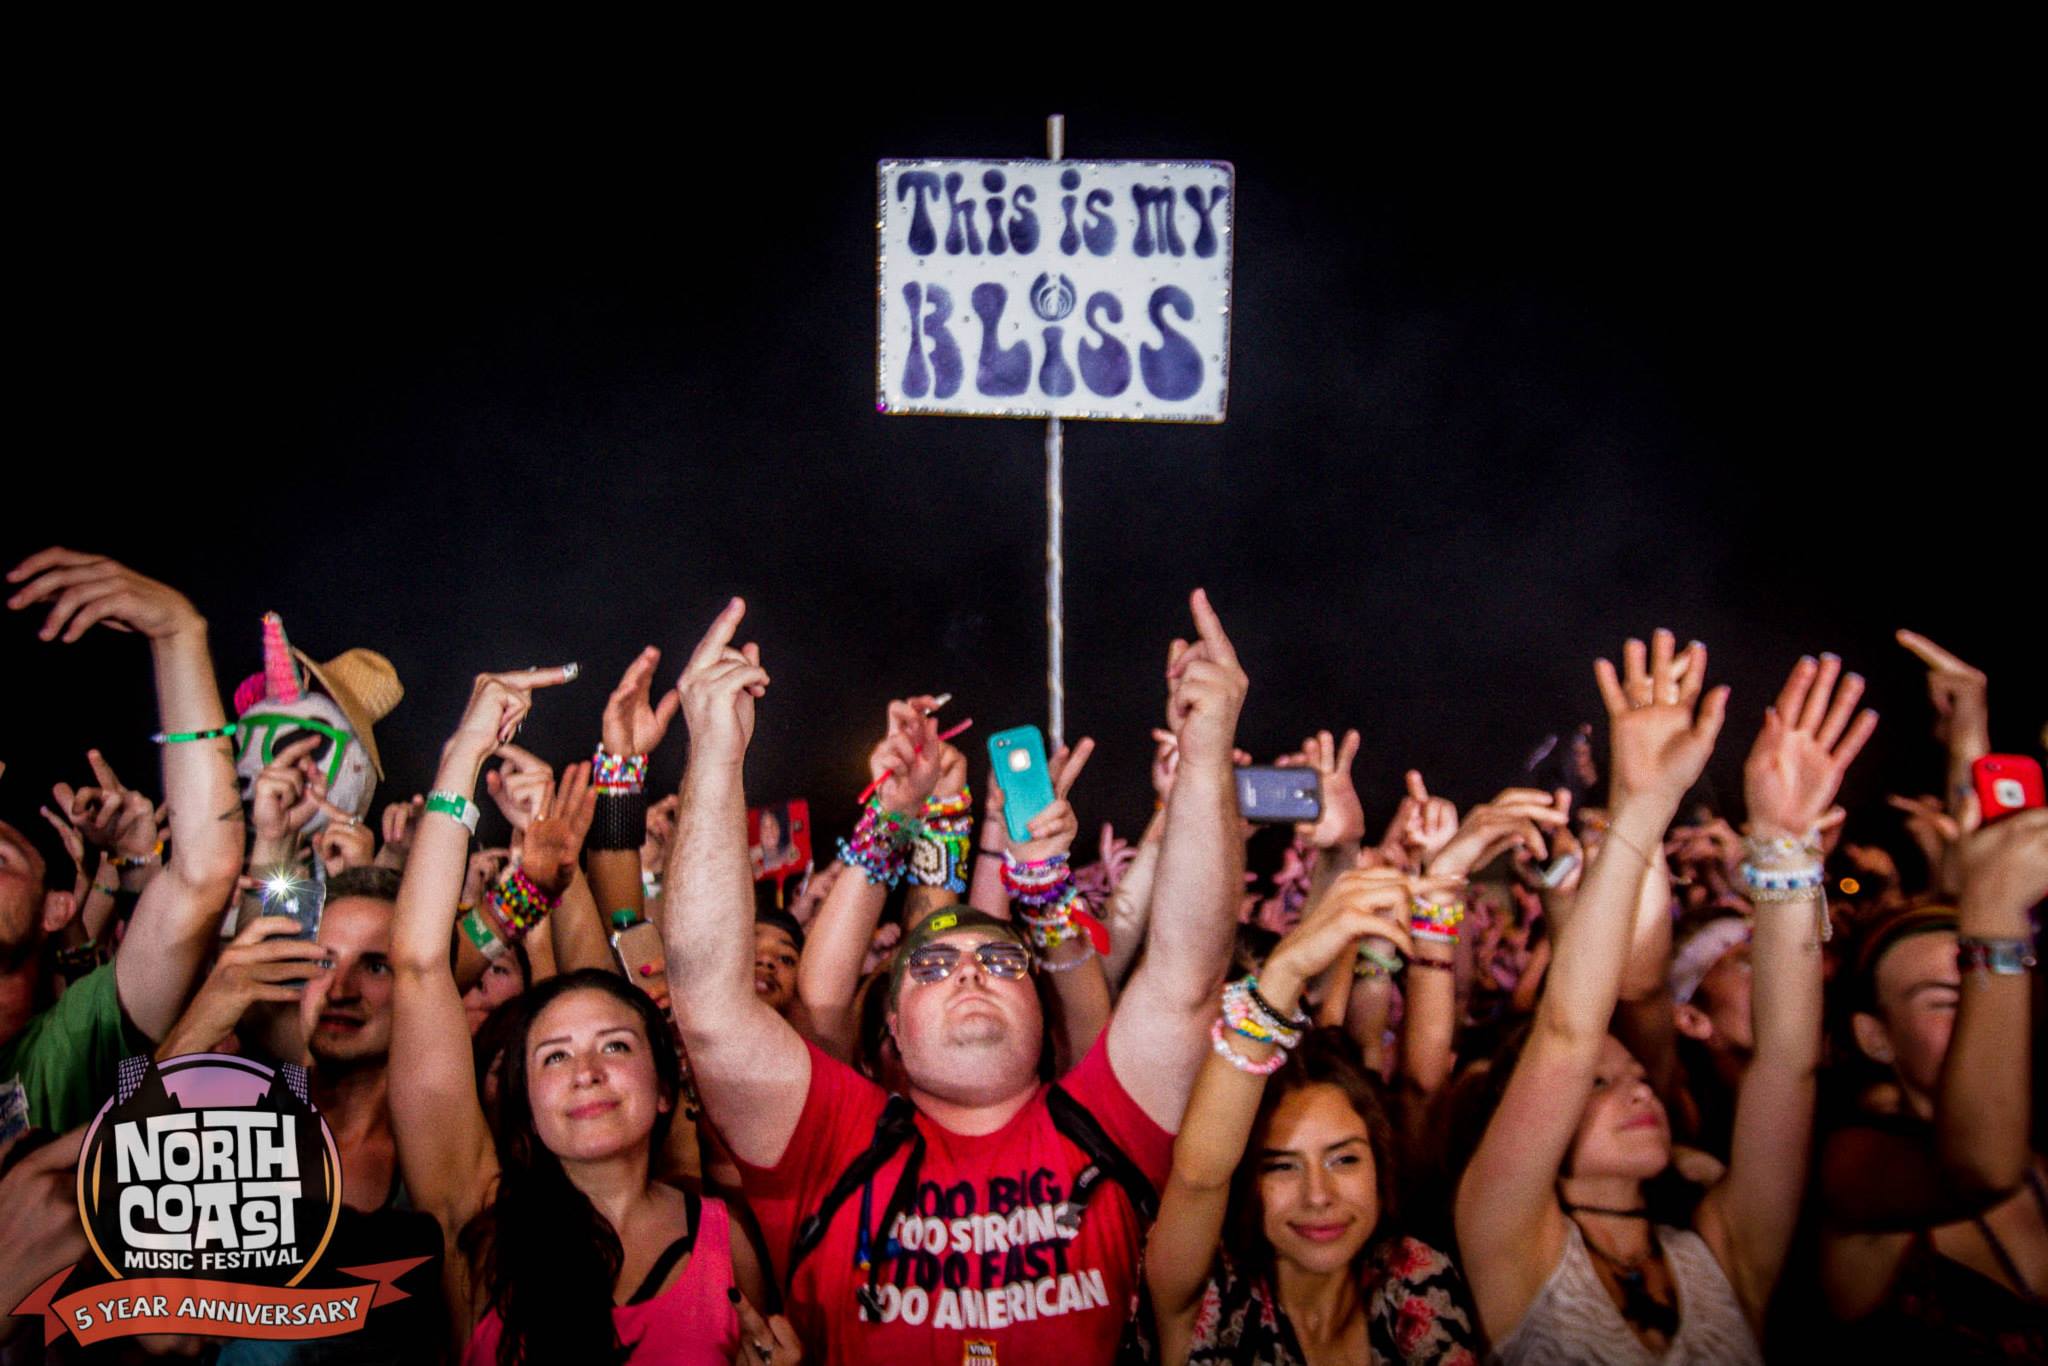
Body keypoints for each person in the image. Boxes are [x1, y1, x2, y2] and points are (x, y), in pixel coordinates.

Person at [664, 591, 1246, 1363]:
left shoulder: (1103, 1126)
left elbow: (1188, 974)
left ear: (1040, 1007)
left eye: (1002, 960)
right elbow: (707, 1005)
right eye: (933, 966)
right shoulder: (828, 1144)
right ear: (892, 1029)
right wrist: (715, 754)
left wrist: (1206, 758)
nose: (971, 969)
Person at [1456, 637, 1876, 1363]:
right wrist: (1640, 810)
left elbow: (1786, 1063)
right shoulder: (1507, 1242)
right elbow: (1566, 1031)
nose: (1641, 1089)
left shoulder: (1726, 1248)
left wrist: (1784, 844)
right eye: (1597, 1082)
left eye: (1636, 1075)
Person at [387, 665, 791, 1364]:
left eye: (615, 1047)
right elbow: (420, 967)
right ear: (524, 1097)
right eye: (554, 1055)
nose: (586, 1071)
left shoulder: (722, 1240)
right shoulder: (480, 1228)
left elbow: (627, 934)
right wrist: (464, 755)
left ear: (666, 1087)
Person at [1148, 866, 1482, 1365]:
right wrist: (1284, 973)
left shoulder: (1415, 1277)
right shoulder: (1203, 1296)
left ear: (1380, 1164)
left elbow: (1420, 1081)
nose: (1318, 1196)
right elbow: (1198, 1177)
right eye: (1281, 1166)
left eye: (1344, 1160)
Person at [2, 548, 246, 1130]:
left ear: (57, 908)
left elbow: (203, 874)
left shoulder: (63, 1052)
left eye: (0, 858)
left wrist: (179, 636)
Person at [1817, 819, 2048, 1357]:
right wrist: (1994, 922)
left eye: (1994, 991)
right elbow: (1983, 1169)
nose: (1982, 1013)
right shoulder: (1850, 1164)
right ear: (1876, 1038)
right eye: (1946, 1001)